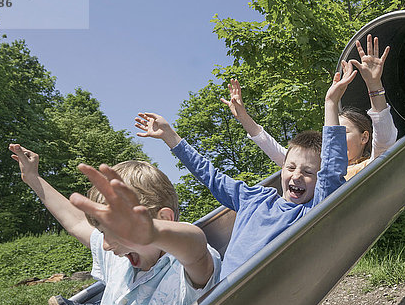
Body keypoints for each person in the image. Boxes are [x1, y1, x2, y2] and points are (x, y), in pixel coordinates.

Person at [134, 64, 354, 280]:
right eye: (291, 167)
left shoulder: (311, 212)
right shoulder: (255, 199)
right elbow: (211, 176)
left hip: (261, 296)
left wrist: (331, 103)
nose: (296, 176)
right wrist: (171, 138)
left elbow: (332, 170)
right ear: (283, 169)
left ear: (319, 179)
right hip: (222, 292)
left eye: (308, 172)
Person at [9, 144, 221, 305]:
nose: (106, 245)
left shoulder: (183, 271)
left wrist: (153, 231)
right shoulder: (121, 259)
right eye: (103, 233)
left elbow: (196, 251)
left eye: (119, 233)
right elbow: (75, 222)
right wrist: (33, 178)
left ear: (164, 220)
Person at [221, 34, 398, 181]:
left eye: (342, 132)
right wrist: (243, 117)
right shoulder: (319, 167)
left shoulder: (374, 162)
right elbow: (277, 152)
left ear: (364, 137)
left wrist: (374, 85)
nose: (334, 139)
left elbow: (384, 137)